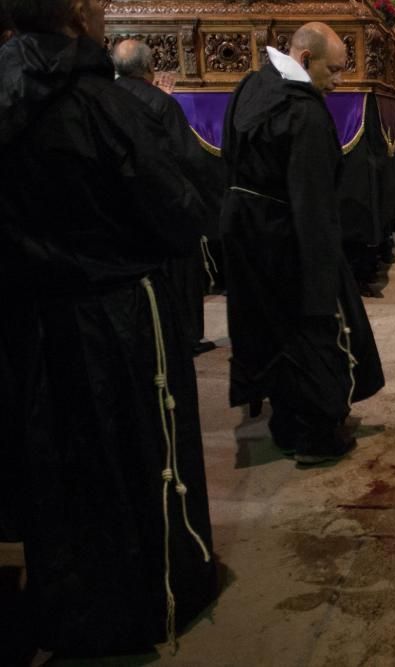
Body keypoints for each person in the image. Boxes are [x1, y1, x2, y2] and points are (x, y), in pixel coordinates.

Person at [0, 0, 217, 656]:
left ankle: (69, 601)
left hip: (31, 318)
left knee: (56, 466)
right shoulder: (109, 106)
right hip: (115, 319)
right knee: (128, 458)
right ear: (76, 16)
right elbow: (179, 214)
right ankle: (133, 604)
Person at [220, 22, 385, 465]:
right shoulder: (305, 113)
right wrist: (324, 274)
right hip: (290, 237)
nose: (338, 82)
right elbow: (312, 201)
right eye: (333, 71)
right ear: (306, 59)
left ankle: (286, 424)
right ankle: (315, 434)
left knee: (271, 329)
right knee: (313, 331)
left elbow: (230, 157)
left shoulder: (253, 85)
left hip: (249, 234)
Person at [111, 39, 224, 356]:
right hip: (166, 204)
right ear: (149, 68)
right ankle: (187, 336)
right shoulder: (161, 103)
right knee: (182, 273)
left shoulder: (106, 97)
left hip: (125, 210)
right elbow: (190, 158)